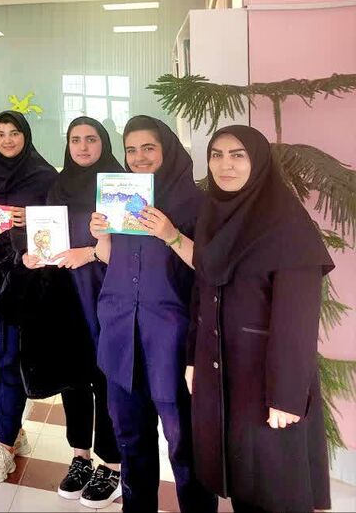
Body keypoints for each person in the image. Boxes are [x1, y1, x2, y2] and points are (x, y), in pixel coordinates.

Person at [188, 126, 333, 513]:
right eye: (216, 155)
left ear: (258, 161)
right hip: (223, 372)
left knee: (275, 484)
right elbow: (202, 291)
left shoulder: (287, 226)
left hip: (267, 379)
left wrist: (285, 397)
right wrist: (192, 358)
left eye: (238, 155)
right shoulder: (213, 216)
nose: (225, 165)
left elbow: (297, 321)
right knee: (242, 477)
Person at [89, 116, 216, 512]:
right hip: (120, 335)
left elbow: (211, 269)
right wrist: (102, 237)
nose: (139, 157)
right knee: (130, 439)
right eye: (131, 150)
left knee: (184, 443)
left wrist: (170, 234)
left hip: (171, 340)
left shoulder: (196, 203)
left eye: (148, 148)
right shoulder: (120, 198)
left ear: (167, 150)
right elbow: (109, 260)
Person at [27, 117, 123, 507]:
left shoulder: (118, 184)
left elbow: (133, 243)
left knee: (107, 379)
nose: (83, 146)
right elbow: (48, 237)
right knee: (74, 378)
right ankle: (80, 456)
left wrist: (91, 252)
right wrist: (36, 255)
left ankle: (112, 463)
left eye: (91, 139)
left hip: (107, 293)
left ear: (104, 143)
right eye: (75, 140)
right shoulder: (58, 185)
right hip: (65, 293)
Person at [0, 111, 57, 483]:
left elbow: (58, 223)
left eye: (14, 132)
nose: (6, 140)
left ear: (26, 135)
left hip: (22, 278)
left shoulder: (43, 175)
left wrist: (31, 219)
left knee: (12, 360)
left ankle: (3, 445)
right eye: (0, 133)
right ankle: (13, 428)